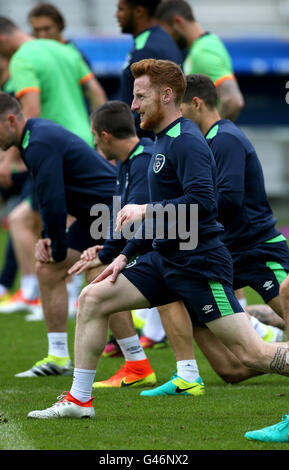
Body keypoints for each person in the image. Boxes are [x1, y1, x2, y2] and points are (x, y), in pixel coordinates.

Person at [26, 59, 289, 419]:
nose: (133, 105)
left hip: (200, 264)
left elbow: (204, 204)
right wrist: (125, 254)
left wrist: (144, 211)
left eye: (140, 96)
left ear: (166, 96)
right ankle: (79, 400)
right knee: (93, 297)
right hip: (164, 259)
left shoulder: (187, 141)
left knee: (251, 356)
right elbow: (163, 214)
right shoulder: (160, 141)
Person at [0, 91, 116, 377]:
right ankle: (58, 357)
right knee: (49, 269)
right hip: (95, 216)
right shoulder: (34, 136)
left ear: (11, 120)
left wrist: (58, 246)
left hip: (111, 213)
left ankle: (137, 361)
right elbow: (50, 195)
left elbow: (53, 199)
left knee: (102, 280)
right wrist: (50, 238)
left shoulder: (37, 141)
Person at [0, 16, 106, 318]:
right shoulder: (64, 49)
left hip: (49, 149)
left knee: (26, 219)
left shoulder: (22, 59)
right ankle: (59, 291)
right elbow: (97, 92)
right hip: (81, 144)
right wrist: (97, 138)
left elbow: (28, 113)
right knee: (74, 222)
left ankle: (37, 291)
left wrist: (8, 160)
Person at [68, 100, 157, 388]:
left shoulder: (143, 161)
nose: (94, 144)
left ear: (105, 135)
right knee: (98, 277)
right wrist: (104, 252)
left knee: (246, 355)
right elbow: (122, 218)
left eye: (94, 136)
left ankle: (182, 371)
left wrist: (111, 254)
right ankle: (137, 363)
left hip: (173, 256)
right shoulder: (129, 161)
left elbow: (144, 221)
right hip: (158, 253)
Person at [155, 0, 244, 121]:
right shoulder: (207, 43)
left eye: (166, 33)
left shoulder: (203, 53)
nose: (167, 39)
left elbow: (232, 101)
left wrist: (210, 137)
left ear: (177, 22)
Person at [116, 0, 183, 136]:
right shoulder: (162, 37)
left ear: (139, 11)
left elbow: (143, 109)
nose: (116, 15)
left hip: (148, 143)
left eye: (121, 9)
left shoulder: (146, 50)